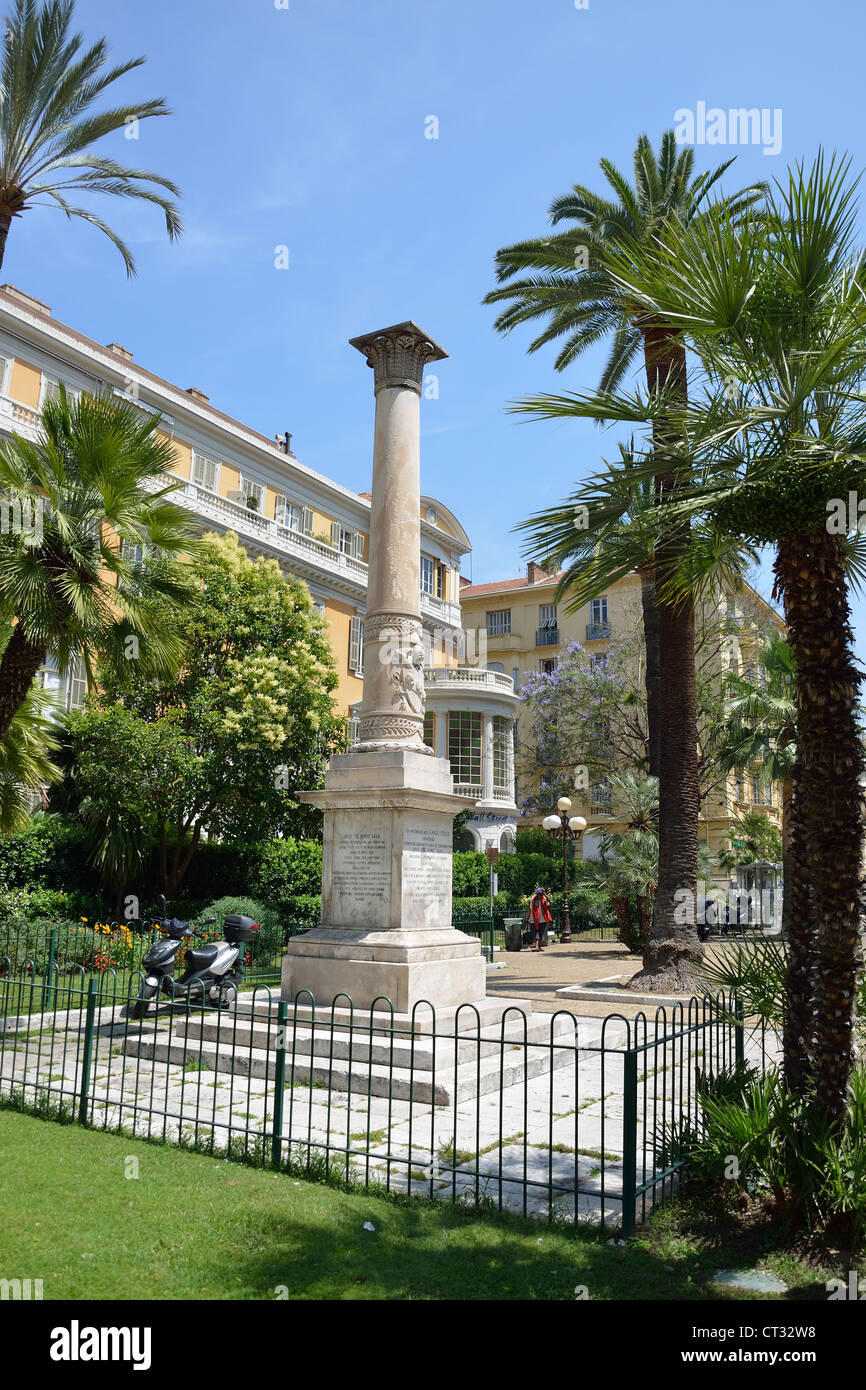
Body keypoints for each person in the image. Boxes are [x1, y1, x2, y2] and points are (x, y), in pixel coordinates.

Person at [529, 886, 553, 952]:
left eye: (540, 894)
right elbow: (530, 910)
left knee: (541, 933)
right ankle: (536, 947)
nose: (539, 895)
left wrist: (545, 893)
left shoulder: (544, 899)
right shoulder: (533, 900)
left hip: (543, 919)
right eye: (538, 894)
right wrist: (528, 919)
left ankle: (538, 947)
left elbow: (549, 901)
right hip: (534, 919)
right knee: (536, 933)